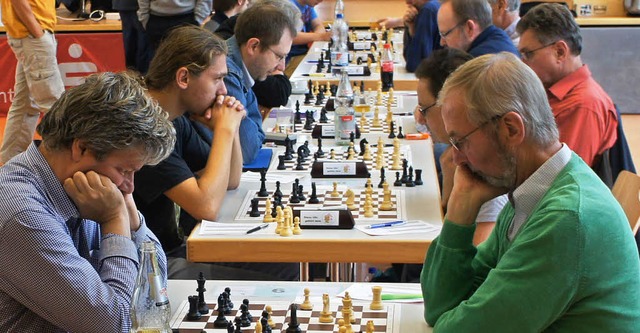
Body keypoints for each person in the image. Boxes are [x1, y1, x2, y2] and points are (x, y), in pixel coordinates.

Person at [421, 52, 640, 331]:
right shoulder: (535, 188)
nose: (456, 159)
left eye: (460, 142)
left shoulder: (565, 218)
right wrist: (460, 209)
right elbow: (440, 306)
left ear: (511, 129)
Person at [0, 72, 175, 332]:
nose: (130, 186)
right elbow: (115, 325)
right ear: (81, 148)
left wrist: (132, 219)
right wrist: (115, 220)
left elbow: (155, 292)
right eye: (124, 170)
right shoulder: (22, 214)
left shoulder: (87, 193)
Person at [134, 25, 298, 280]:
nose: (223, 91)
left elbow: (230, 181)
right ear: (184, 78)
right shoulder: (145, 129)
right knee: (277, 278)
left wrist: (229, 131)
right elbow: (206, 207)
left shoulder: (176, 119)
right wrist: (224, 129)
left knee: (286, 262)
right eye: (217, 79)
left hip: (173, 249)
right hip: (151, 264)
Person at [414, 49, 506, 244]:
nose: (420, 118)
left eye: (424, 109)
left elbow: (477, 266)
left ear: (448, 105)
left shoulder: (483, 166)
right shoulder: (454, 157)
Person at [516, 3, 617, 168]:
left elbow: (563, 177)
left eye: (528, 54)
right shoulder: (551, 93)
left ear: (560, 52)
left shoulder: (583, 105)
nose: (523, 63)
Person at [224, 0, 300, 163]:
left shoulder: (243, 67)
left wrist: (255, 134)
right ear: (253, 46)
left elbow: (258, 131)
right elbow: (248, 149)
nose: (281, 66)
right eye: (279, 56)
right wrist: (255, 135)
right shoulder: (226, 72)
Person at [0, 0, 65, 165]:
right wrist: (38, 32)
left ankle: (9, 162)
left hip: (31, 33)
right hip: (32, 33)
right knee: (55, 104)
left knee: (25, 104)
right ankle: (65, 162)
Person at [436, 0, 518, 57]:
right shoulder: (501, 38)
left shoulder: (474, 65)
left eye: (445, 34)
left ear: (470, 28)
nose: (442, 42)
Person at [137, 0, 212, 61]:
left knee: (187, 61)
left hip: (187, 17)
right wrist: (145, 19)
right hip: (156, 19)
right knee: (157, 64)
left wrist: (197, 19)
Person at [285, 0, 331, 77]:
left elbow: (318, 25)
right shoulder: (286, 6)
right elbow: (289, 37)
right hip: (289, 59)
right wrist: (321, 36)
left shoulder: (308, 5)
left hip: (303, 53)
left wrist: (319, 36)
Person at [112, 0, 152, 74]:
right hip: (140, 6)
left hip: (125, 5)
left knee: (131, 43)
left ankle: (133, 76)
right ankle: (141, 77)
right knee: (142, 47)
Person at [402, 0, 442, 73]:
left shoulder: (428, 9)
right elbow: (409, 59)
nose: (407, 1)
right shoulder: (435, 5)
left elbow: (415, 65)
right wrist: (411, 28)